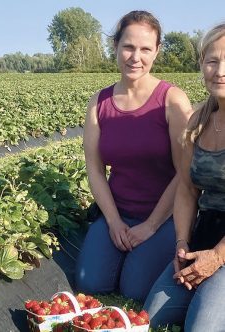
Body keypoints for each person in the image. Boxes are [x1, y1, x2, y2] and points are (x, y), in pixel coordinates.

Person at [74, 10, 192, 301]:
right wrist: (113, 221)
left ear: (157, 51)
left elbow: (185, 172)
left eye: (145, 49)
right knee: (89, 283)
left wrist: (150, 226)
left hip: (164, 217)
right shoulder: (99, 103)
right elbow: (95, 169)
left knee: (135, 290)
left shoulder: (172, 100)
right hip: (119, 211)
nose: (135, 57)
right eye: (128, 46)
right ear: (115, 46)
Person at [144, 23, 225, 331]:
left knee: (200, 327)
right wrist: (182, 242)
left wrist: (217, 257)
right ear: (201, 63)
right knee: (151, 316)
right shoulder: (198, 120)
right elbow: (187, 191)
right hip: (207, 230)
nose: (220, 70)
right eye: (212, 60)